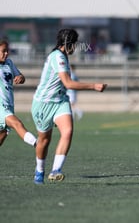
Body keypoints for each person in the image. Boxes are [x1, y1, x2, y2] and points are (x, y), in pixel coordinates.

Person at [32, 28, 107, 185]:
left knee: (68, 131)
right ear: (68, 43)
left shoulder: (64, 56)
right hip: (43, 103)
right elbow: (68, 83)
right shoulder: (57, 56)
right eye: (74, 43)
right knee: (44, 141)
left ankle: (55, 170)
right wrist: (94, 86)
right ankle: (39, 170)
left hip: (60, 101)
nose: (76, 47)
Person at [0, 39, 37, 148]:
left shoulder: (9, 63)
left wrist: (20, 78)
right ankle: (37, 144)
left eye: (7, 51)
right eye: (3, 51)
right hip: (1, 106)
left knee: (1, 137)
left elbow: (21, 77)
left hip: (9, 105)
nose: (6, 53)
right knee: (17, 123)